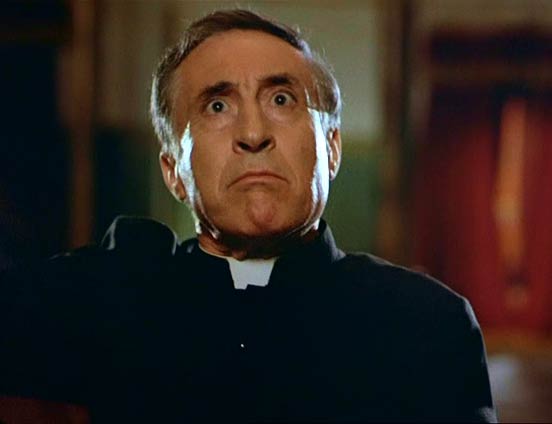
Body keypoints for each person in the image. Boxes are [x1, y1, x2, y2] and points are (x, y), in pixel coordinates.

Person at [0, 9, 497, 423]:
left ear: (332, 149)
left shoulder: (426, 323)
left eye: (281, 99)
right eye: (217, 106)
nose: (253, 133)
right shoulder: (111, 297)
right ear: (173, 172)